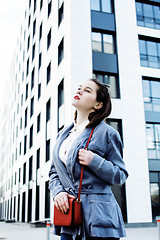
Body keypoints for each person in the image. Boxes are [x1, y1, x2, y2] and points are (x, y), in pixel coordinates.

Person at [49, 78, 128, 240]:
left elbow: (120, 175)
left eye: (87, 90)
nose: (79, 91)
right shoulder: (62, 135)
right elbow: (53, 173)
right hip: (70, 218)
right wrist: (58, 193)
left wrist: (95, 161)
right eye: (79, 88)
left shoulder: (107, 133)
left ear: (98, 105)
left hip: (99, 219)